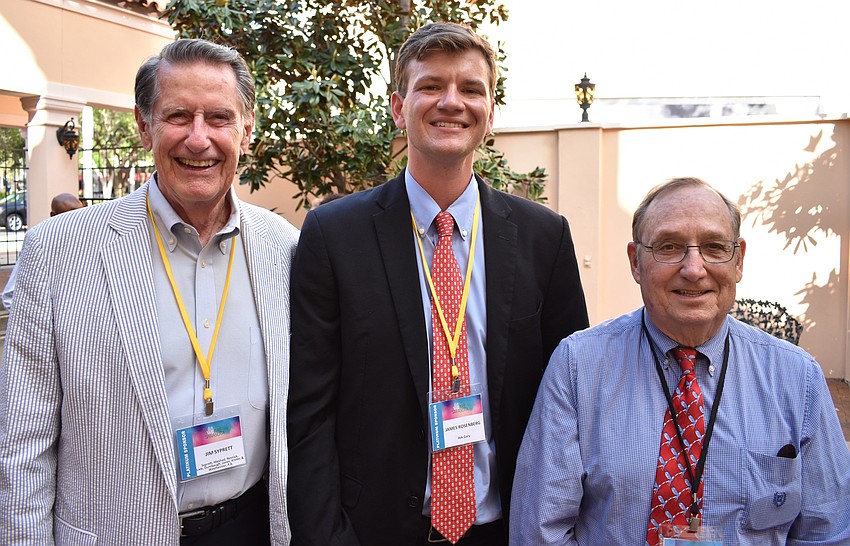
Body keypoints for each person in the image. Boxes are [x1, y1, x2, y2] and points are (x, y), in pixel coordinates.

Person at [287, 21, 589, 546]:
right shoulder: (334, 235)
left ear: (490, 114)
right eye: (431, 86)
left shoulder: (544, 238)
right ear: (398, 107)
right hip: (375, 533)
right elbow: (309, 410)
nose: (452, 102)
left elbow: (571, 399)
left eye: (471, 89)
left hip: (509, 530)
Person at [0, 39, 299, 545]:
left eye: (219, 118)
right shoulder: (57, 252)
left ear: (246, 132)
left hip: (253, 527)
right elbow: (22, 444)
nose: (198, 139)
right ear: (144, 127)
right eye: (178, 116)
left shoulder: (285, 249)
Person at [511, 177, 850, 545]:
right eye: (669, 247)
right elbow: (541, 533)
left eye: (714, 247)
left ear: (738, 260)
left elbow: (827, 532)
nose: (693, 269)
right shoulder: (578, 366)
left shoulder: (797, 378)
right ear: (636, 262)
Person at [1, 192, 84, 311]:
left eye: (80, 214)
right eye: (69, 215)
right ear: (53, 215)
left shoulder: (86, 242)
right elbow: (10, 296)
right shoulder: (39, 244)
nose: (76, 221)